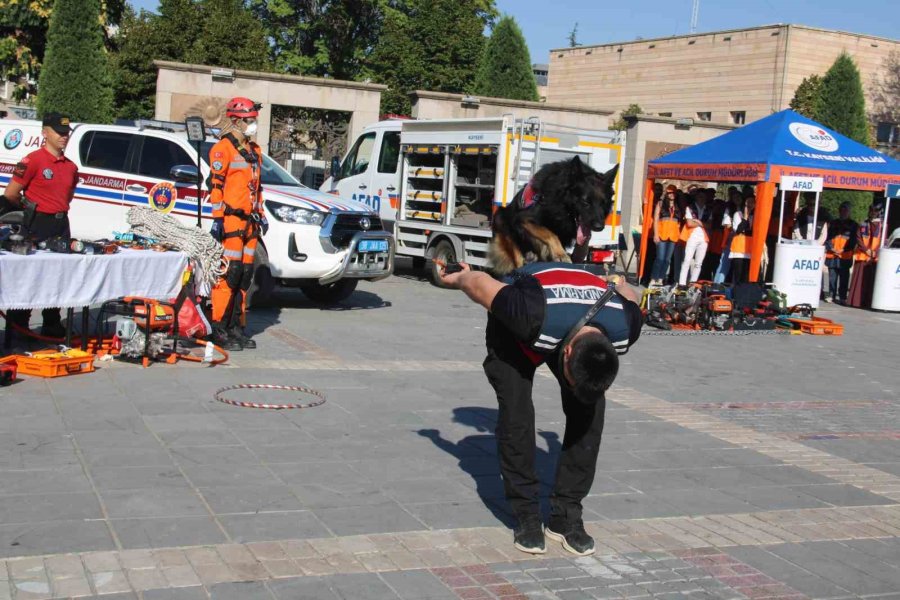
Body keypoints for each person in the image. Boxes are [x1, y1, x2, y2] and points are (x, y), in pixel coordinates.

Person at [438, 261, 642, 557]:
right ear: (567, 352)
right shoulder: (525, 310)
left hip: (570, 318)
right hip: (517, 333)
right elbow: (480, 284)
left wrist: (620, 282)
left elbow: (630, 294)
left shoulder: (626, 324)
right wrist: (459, 276)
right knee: (517, 415)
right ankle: (527, 515)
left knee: (590, 414)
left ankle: (565, 516)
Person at [2, 113, 78, 339]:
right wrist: (28, 213)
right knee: (29, 277)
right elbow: (11, 194)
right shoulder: (33, 160)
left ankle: (52, 324)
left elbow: (68, 196)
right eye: (59, 132)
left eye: (67, 133)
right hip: (37, 223)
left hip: (60, 223)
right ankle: (19, 328)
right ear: (45, 133)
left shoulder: (71, 167)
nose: (64, 137)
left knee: (57, 276)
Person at [207, 97, 267, 351]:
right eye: (248, 120)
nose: (252, 124)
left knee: (244, 276)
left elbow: (257, 187)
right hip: (231, 219)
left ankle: (236, 326)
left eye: (253, 120)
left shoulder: (255, 150)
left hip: (251, 221)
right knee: (229, 275)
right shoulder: (223, 149)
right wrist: (218, 218)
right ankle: (219, 327)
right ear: (235, 120)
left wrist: (261, 212)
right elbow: (215, 186)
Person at [847, 204, 883, 308]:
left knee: (871, 280)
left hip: (874, 257)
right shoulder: (863, 224)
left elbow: (882, 240)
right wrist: (867, 250)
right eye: (871, 210)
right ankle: (857, 301)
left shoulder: (883, 225)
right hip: (863, 255)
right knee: (859, 280)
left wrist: (874, 252)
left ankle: (868, 302)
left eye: (875, 211)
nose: (873, 212)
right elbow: (858, 238)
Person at [824, 202, 857, 304]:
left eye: (845, 210)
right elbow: (827, 237)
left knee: (844, 278)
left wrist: (844, 250)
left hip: (845, 255)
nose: (843, 212)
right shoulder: (832, 223)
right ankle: (831, 295)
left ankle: (842, 297)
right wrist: (832, 248)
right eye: (841, 210)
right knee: (832, 277)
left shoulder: (854, 225)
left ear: (849, 212)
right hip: (832, 254)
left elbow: (854, 240)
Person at [650, 184, 680, 286]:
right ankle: (654, 278)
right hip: (662, 234)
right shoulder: (661, 203)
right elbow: (656, 219)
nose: (672, 195)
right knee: (660, 258)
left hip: (673, 236)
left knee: (667, 260)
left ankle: (661, 278)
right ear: (666, 193)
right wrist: (656, 234)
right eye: (669, 192)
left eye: (673, 192)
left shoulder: (678, 205)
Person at [678, 188, 709, 285]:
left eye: (703, 197)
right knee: (687, 260)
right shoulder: (690, 208)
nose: (701, 199)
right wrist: (701, 223)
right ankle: (682, 283)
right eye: (699, 196)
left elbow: (710, 225)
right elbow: (689, 223)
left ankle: (693, 283)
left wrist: (699, 222)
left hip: (703, 238)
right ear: (696, 197)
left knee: (698, 263)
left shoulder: (708, 209)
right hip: (692, 236)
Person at [729, 194, 755, 284]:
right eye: (748, 202)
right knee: (738, 275)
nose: (750, 205)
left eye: (752, 202)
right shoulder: (738, 214)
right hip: (739, 249)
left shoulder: (755, 216)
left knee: (746, 276)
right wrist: (745, 218)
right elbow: (738, 230)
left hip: (751, 249)